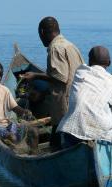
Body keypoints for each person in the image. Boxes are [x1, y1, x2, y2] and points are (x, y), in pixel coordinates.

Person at [21, 16, 84, 148]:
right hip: (78, 99)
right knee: (62, 138)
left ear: (42, 32)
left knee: (58, 140)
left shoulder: (55, 48)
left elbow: (60, 77)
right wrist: (44, 92)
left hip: (64, 103)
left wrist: (35, 75)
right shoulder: (71, 45)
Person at [56, 46, 112, 152]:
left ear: (89, 61)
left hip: (71, 131)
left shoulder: (80, 71)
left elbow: (100, 76)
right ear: (109, 63)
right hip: (99, 136)